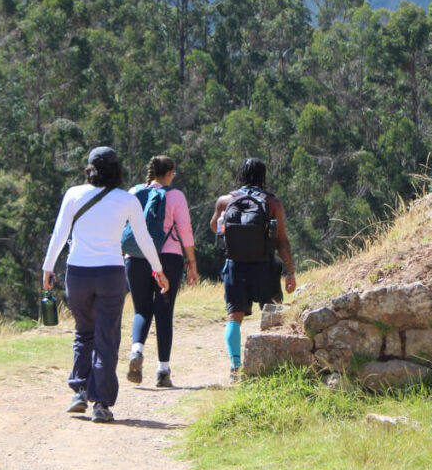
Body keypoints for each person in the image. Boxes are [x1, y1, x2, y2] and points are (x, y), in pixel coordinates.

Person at [42, 146, 169, 423]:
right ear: (116, 170)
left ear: (89, 169)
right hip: (111, 274)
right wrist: (157, 269)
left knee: (83, 332)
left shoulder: (74, 194)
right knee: (107, 339)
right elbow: (144, 238)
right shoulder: (127, 200)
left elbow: (60, 234)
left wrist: (48, 267)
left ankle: (79, 392)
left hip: (78, 274)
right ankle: (100, 403)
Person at [209, 157, 296, 381]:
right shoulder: (273, 203)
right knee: (273, 314)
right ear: (262, 176)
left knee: (233, 317)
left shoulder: (225, 201)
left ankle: (235, 367)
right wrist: (290, 271)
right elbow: (282, 240)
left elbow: (215, 227)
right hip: (264, 265)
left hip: (235, 267)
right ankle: (272, 364)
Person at [125, 155, 198, 388]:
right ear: (169, 173)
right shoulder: (175, 196)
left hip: (135, 257)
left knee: (141, 310)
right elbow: (185, 231)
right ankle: (163, 371)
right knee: (164, 312)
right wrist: (192, 262)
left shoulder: (134, 192)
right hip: (168, 257)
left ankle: (136, 350)